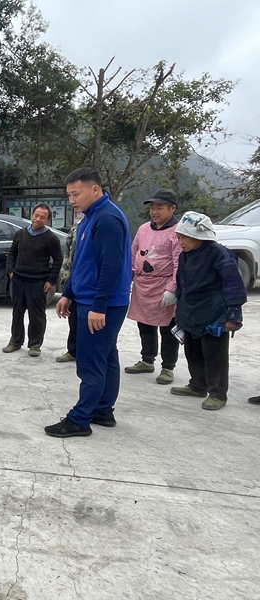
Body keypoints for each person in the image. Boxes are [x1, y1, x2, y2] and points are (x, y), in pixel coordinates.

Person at [48, 168, 132, 438]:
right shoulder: (89, 218)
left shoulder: (107, 219)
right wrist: (69, 293)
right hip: (86, 299)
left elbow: (111, 266)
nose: (71, 200)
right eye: (69, 194)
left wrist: (99, 305)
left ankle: (80, 418)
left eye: (76, 193)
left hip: (101, 303)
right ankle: (103, 410)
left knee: (90, 362)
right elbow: (82, 261)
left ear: (94, 190)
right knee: (106, 356)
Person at [170, 211, 246, 411]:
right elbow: (182, 284)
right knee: (192, 351)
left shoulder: (220, 255)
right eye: (179, 238)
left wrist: (233, 316)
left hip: (214, 314)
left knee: (214, 356)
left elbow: (234, 287)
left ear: (199, 236)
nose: (180, 242)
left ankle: (217, 393)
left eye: (184, 238)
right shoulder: (185, 255)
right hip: (191, 313)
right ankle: (197, 385)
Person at [124, 190, 182, 385]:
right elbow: (133, 255)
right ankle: (147, 360)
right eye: (152, 208)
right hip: (142, 285)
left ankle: (168, 367)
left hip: (164, 285)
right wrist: (127, 279)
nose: (154, 212)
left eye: (159, 208)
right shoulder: (143, 229)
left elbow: (179, 263)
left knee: (167, 329)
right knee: (144, 325)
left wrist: (172, 288)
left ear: (172, 208)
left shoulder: (176, 232)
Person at [2, 203, 62, 357]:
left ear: (48, 220)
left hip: (38, 282)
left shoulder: (51, 238)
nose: (38, 219)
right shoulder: (20, 234)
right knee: (17, 312)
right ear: (31, 215)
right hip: (19, 279)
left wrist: (51, 280)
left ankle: (35, 344)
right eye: (36, 215)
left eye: (43, 217)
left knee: (37, 315)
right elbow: (12, 254)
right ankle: (15, 341)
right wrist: (10, 271)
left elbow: (57, 260)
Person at [56, 211, 82, 363]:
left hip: (88, 281)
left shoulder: (102, 223)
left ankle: (85, 352)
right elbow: (68, 253)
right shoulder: (76, 227)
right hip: (72, 279)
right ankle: (73, 350)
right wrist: (65, 275)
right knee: (72, 317)